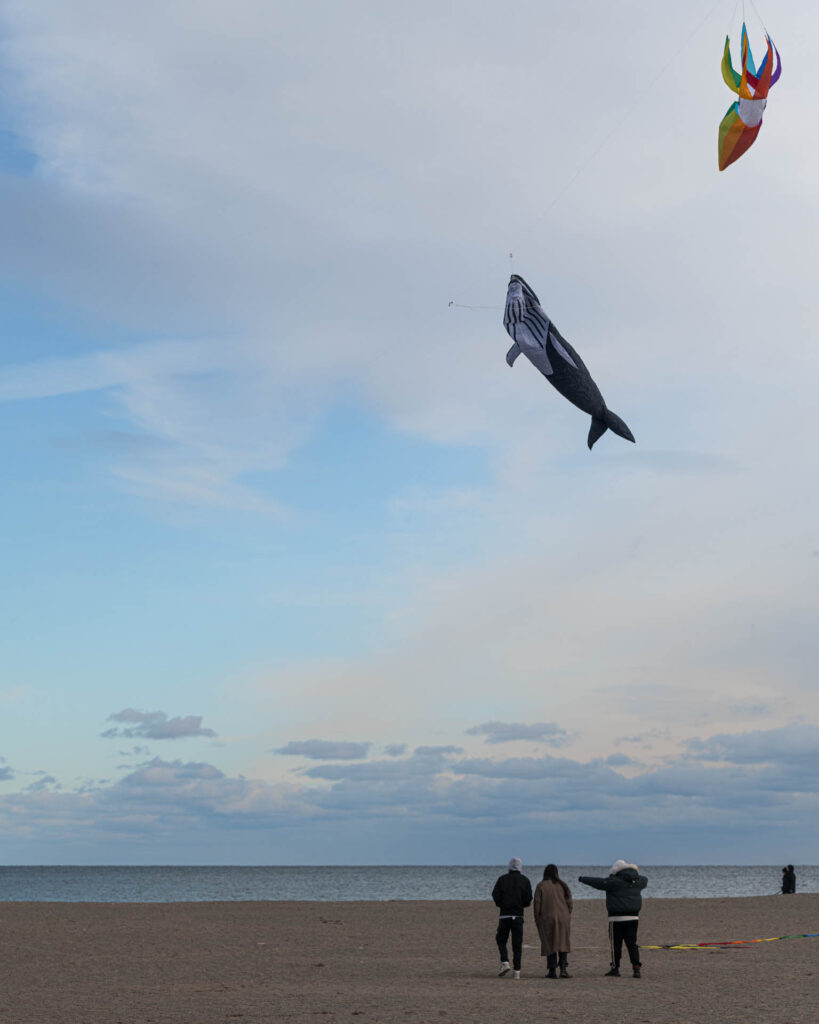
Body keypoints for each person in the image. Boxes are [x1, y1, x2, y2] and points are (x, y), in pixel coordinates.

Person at [578, 860, 648, 978]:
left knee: (615, 945)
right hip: (633, 917)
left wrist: (582, 878)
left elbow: (598, 882)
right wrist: (634, 874)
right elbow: (645, 879)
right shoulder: (638, 881)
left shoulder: (613, 882)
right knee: (632, 944)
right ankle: (636, 968)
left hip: (616, 918)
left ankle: (615, 968)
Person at [491, 857, 533, 979]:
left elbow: (495, 895)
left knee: (501, 939)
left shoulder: (502, 879)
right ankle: (517, 971)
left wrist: (501, 904)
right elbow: (528, 899)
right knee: (517, 944)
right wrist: (521, 905)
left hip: (505, 915)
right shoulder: (525, 880)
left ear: (509, 867)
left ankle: (505, 962)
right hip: (518, 915)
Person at [533, 864, 573, 978]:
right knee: (563, 942)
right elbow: (569, 901)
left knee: (549, 943)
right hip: (563, 917)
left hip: (548, 917)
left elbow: (537, 905)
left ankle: (552, 970)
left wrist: (538, 920)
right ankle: (563, 969)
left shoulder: (541, 886)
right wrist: (567, 913)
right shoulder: (562, 885)